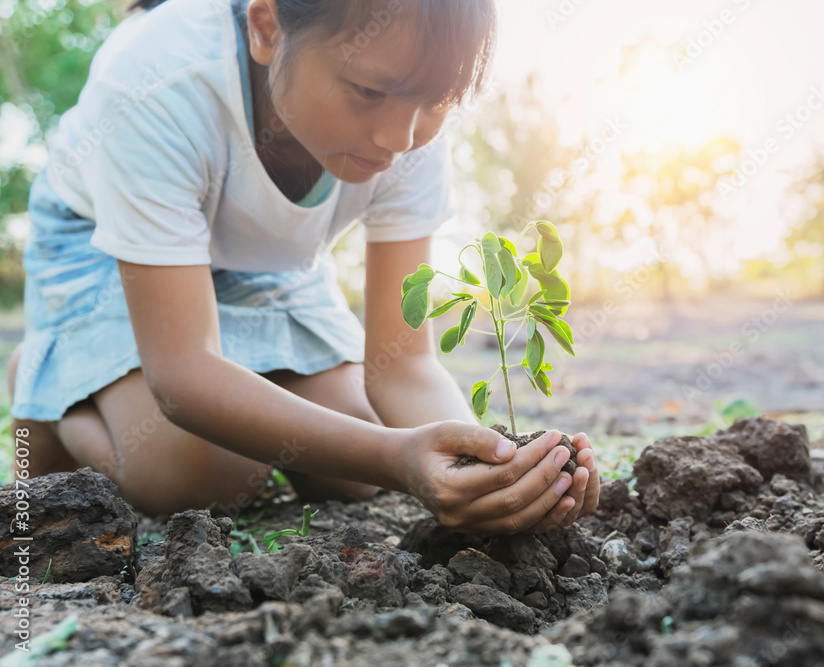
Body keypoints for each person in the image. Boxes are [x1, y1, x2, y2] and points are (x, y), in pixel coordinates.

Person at [6, 0, 600, 534]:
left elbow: (403, 367)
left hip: (268, 263)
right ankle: (56, 390)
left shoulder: (409, 116)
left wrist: (492, 469)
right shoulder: (158, 82)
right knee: (200, 476)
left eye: (437, 103)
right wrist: (399, 458)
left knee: (353, 468)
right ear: (266, 26)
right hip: (108, 250)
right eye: (368, 92)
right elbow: (183, 372)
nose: (399, 137)